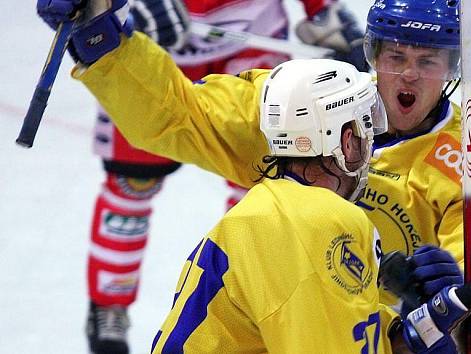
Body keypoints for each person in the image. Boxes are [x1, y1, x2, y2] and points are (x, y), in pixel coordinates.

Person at [37, 0, 471, 352]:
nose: (409, 75)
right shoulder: (303, 103)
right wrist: (108, 45)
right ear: (373, 56)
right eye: (396, 57)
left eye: (427, 61)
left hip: (367, 330)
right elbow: (185, 114)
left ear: (452, 67)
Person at [53, 0, 369, 352]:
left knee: (267, 183)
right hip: (149, 37)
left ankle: (252, 296)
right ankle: (109, 301)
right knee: (132, 183)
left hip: (252, 35)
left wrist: (321, 10)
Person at [148, 57, 471, 354]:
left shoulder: (275, 208)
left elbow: (332, 330)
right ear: (346, 141)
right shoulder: (320, 221)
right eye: (366, 129)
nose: (369, 146)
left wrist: (410, 334)